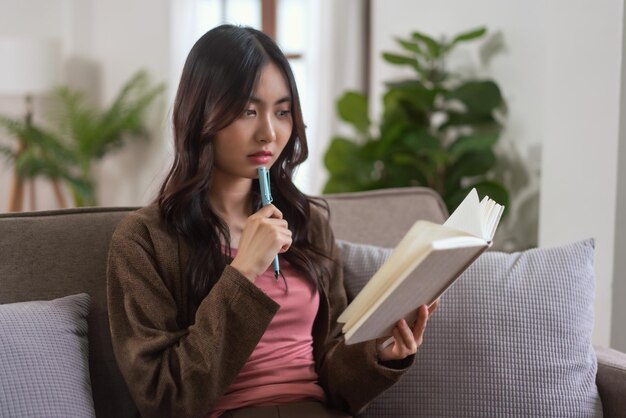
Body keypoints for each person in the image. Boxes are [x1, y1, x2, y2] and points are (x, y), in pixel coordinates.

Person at [107, 24, 439, 418]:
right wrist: (244, 272)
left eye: (282, 112)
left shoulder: (306, 222)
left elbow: (332, 369)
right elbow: (165, 397)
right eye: (248, 111)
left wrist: (381, 353)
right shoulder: (144, 240)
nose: (269, 133)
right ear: (201, 115)